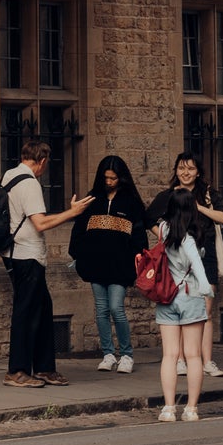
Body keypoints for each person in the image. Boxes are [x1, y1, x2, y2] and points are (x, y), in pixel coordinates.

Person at [0, 137, 92, 389]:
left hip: (16, 253)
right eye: (46, 163)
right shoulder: (29, 184)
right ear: (41, 160)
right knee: (26, 312)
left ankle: (44, 367)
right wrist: (72, 213)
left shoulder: (10, 174)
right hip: (26, 256)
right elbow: (40, 223)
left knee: (41, 309)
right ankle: (17, 371)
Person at [148, 152, 223, 379]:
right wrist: (166, 239)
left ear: (198, 172)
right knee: (181, 306)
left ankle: (207, 361)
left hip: (205, 255)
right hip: (177, 260)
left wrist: (199, 207)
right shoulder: (168, 195)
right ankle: (181, 360)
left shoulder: (207, 194)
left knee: (205, 309)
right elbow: (147, 219)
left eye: (191, 169)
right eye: (181, 168)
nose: (185, 173)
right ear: (176, 170)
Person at [69, 155, 148, 374]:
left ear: (121, 178)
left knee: (116, 308)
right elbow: (79, 228)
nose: (109, 181)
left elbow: (140, 233)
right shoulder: (92, 199)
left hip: (120, 266)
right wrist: (77, 254)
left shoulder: (131, 201)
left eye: (113, 178)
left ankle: (126, 355)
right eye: (106, 178)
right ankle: (108, 354)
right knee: (101, 311)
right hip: (96, 264)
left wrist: (139, 257)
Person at [151, 189, 216, 421]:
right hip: (190, 295)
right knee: (193, 355)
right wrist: (208, 290)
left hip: (166, 296)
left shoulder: (163, 230)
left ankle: (168, 408)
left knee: (169, 355)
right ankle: (191, 408)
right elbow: (199, 269)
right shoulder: (189, 238)